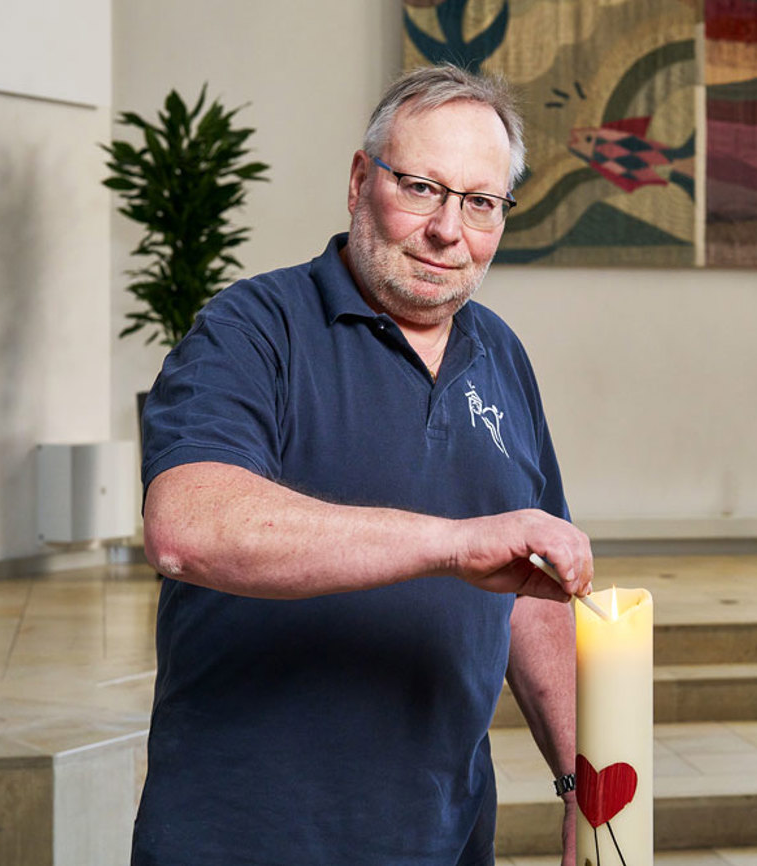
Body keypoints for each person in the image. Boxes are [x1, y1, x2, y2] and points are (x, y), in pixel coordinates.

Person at [131, 64, 593, 866]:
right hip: (249, 837)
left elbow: (535, 591)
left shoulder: (502, 357)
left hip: (444, 833)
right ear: (359, 180)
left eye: (481, 203)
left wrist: (579, 781)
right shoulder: (251, 329)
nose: (450, 229)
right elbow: (188, 527)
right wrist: (450, 543)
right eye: (421, 188)